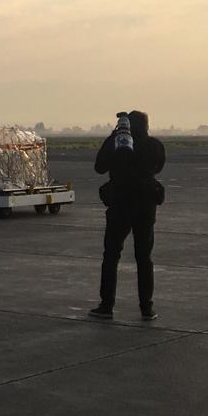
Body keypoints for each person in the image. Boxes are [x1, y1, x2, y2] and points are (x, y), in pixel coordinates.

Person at [90, 110, 166, 321]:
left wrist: (114, 136)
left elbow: (99, 167)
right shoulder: (154, 145)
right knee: (144, 258)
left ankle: (106, 306)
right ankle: (146, 308)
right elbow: (158, 167)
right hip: (145, 207)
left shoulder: (117, 143)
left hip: (120, 205)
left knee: (111, 256)